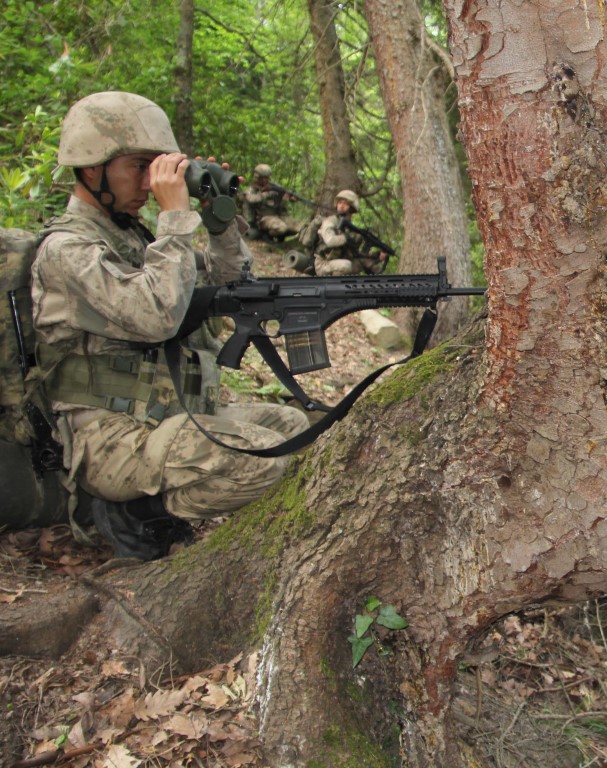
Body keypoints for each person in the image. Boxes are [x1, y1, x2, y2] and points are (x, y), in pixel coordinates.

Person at [31, 91, 310, 560]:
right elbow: (156, 317)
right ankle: (137, 514)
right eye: (140, 166)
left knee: (293, 426)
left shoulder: (135, 238)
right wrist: (174, 218)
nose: (151, 180)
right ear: (92, 169)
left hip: (161, 416)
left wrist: (219, 220)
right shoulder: (67, 250)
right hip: (106, 433)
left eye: (157, 166)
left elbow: (231, 284)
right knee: (261, 458)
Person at [312, 189, 387, 276]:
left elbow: (356, 254)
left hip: (338, 262)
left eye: (345, 204)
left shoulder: (350, 229)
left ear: (352, 208)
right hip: (323, 264)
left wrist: (376, 256)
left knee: (366, 262)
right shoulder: (330, 221)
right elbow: (330, 240)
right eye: (340, 203)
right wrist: (345, 238)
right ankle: (335, 284)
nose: (341, 206)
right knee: (346, 265)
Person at [242, 163, 302, 241]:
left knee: (300, 227)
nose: (265, 180)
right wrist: (266, 194)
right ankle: (267, 235)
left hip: (278, 216)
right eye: (262, 178)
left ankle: (281, 237)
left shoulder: (274, 187)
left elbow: (281, 201)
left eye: (266, 178)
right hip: (263, 218)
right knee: (281, 228)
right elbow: (251, 199)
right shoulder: (252, 189)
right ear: (257, 177)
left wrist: (288, 198)